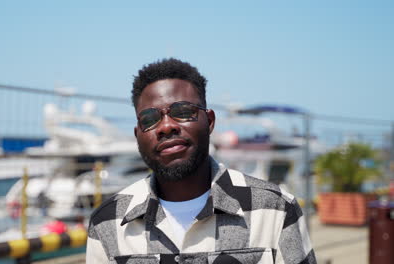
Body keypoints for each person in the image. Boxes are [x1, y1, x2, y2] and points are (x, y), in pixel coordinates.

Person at [86, 58, 316, 263]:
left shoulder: (275, 210)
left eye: (183, 111)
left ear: (210, 121)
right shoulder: (107, 221)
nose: (166, 126)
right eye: (149, 118)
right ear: (138, 135)